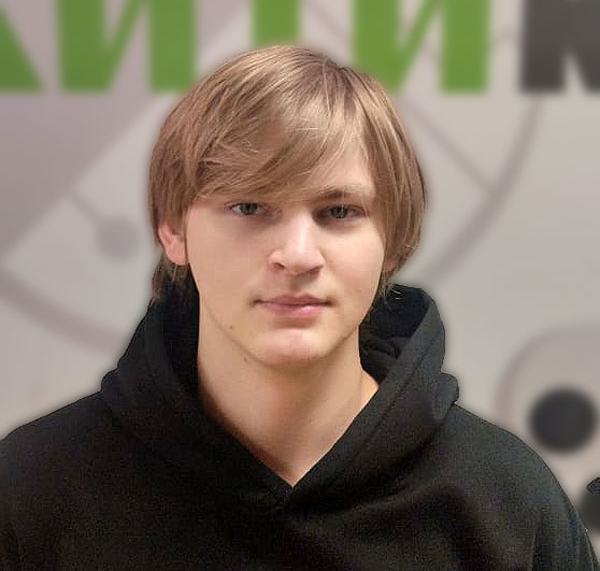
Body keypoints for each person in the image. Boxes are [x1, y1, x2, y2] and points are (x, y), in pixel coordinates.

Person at [1, 44, 598, 570]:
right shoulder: (31, 490)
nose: (296, 255)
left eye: (338, 212)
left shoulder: (507, 502)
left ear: (393, 242)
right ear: (173, 231)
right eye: (249, 207)